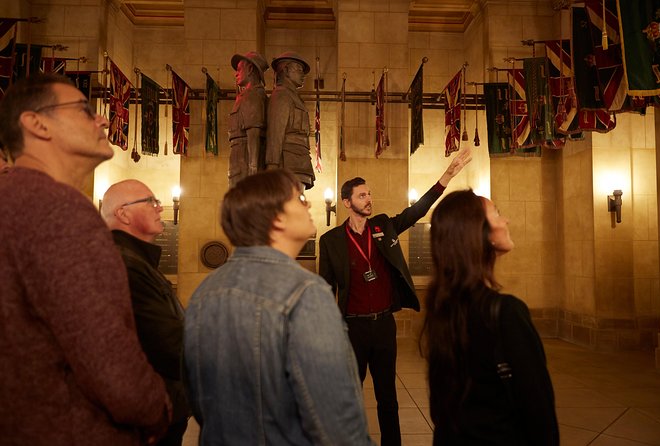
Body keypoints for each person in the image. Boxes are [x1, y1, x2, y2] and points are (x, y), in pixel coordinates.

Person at [0, 73, 171, 445]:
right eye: (83, 109)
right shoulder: (58, 209)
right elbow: (106, 356)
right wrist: (157, 409)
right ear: (36, 123)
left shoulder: (12, 198)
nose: (103, 119)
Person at [184, 169, 373, 445]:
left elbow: (199, 399)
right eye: (299, 198)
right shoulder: (306, 293)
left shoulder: (205, 292)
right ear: (277, 219)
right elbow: (337, 424)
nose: (308, 204)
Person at [318, 148, 472, 446]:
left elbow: (418, 211)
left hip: (383, 326)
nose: (368, 199)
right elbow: (325, 287)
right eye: (362, 196)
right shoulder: (332, 241)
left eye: (369, 194)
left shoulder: (383, 225)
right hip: (352, 328)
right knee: (349, 395)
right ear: (347, 203)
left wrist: (448, 175)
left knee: (387, 396)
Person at [421, 189, 559, 445]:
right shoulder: (506, 313)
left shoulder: (443, 310)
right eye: (497, 213)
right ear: (479, 233)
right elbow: (540, 416)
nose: (506, 221)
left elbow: (440, 411)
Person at [101, 179, 191, 446]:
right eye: (150, 201)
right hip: (148, 412)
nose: (160, 208)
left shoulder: (136, 260)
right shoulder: (125, 264)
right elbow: (166, 344)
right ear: (123, 213)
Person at [266, 51, 315, 190]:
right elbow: (275, 132)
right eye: (298, 69)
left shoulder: (294, 97)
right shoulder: (281, 95)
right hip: (287, 164)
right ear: (286, 70)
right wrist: (272, 165)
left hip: (298, 163)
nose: (302, 75)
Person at [228, 51, 269, 187]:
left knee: (242, 204)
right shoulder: (246, 95)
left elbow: (254, 133)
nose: (236, 74)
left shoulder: (252, 96)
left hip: (244, 159)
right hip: (239, 159)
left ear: (250, 69)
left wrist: (253, 169)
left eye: (239, 69)